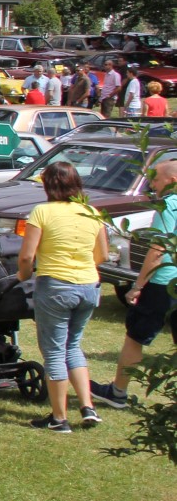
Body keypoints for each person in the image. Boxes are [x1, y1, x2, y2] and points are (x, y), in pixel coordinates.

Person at [17, 160, 108, 432]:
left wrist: (23, 277)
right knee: (73, 346)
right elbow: (102, 255)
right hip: (89, 286)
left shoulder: (42, 212)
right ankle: (87, 407)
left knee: (54, 350)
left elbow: (26, 256)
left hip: (56, 286)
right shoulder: (92, 212)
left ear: (47, 185)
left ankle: (59, 418)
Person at [95, 160, 177, 411]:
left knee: (136, 336)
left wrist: (138, 285)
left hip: (163, 282)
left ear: (171, 181)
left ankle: (117, 392)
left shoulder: (168, 206)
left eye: (155, 178)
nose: (152, 184)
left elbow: (157, 250)